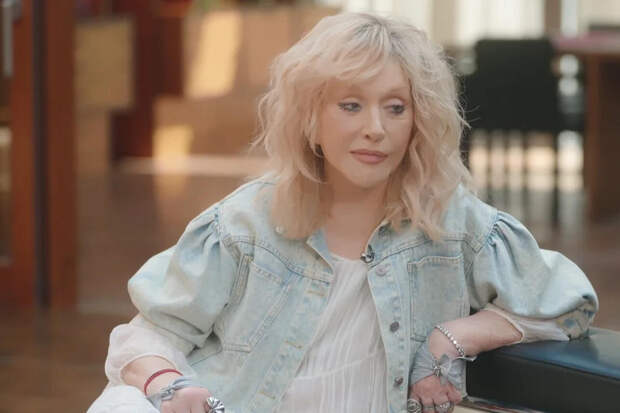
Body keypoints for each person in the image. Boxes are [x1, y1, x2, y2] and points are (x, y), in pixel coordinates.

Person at [88, 12, 598, 413]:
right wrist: (169, 384)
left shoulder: (451, 222)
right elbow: (148, 333)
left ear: (418, 121)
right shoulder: (245, 223)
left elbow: (566, 303)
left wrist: (452, 338)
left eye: (395, 107)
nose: (375, 128)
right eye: (351, 105)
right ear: (310, 119)